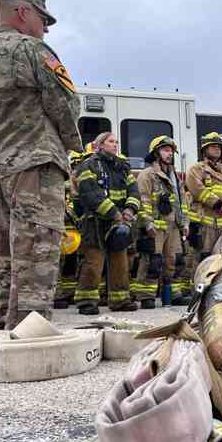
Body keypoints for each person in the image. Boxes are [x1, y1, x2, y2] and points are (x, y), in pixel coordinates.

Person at [0, 0, 83, 329]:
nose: (46, 27)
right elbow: (66, 106)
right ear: (23, 12)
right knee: (36, 252)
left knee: (5, 255)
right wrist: (71, 146)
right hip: (36, 162)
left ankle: (3, 325)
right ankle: (29, 334)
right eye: (42, 18)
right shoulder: (33, 51)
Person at [74, 133, 140, 314]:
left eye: (116, 141)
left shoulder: (123, 168)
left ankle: (120, 301)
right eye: (111, 141)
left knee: (121, 262)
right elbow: (90, 194)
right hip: (95, 222)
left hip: (119, 222)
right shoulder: (87, 166)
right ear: (100, 145)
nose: (115, 144)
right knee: (93, 263)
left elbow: (134, 192)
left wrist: (129, 210)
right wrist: (115, 213)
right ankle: (86, 301)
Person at [133, 136, 190, 308]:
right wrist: (147, 223)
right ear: (156, 153)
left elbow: (182, 203)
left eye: (171, 150)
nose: (170, 153)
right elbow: (143, 200)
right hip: (155, 228)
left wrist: (185, 223)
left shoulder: (175, 177)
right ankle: (146, 295)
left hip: (173, 228)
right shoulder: (147, 175)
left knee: (175, 260)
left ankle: (173, 293)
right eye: (165, 150)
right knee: (152, 261)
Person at [185, 132, 222, 261]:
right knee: (201, 259)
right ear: (205, 150)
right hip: (204, 225)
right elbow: (197, 188)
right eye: (213, 146)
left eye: (219, 147)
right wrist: (218, 204)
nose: (217, 149)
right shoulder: (196, 169)